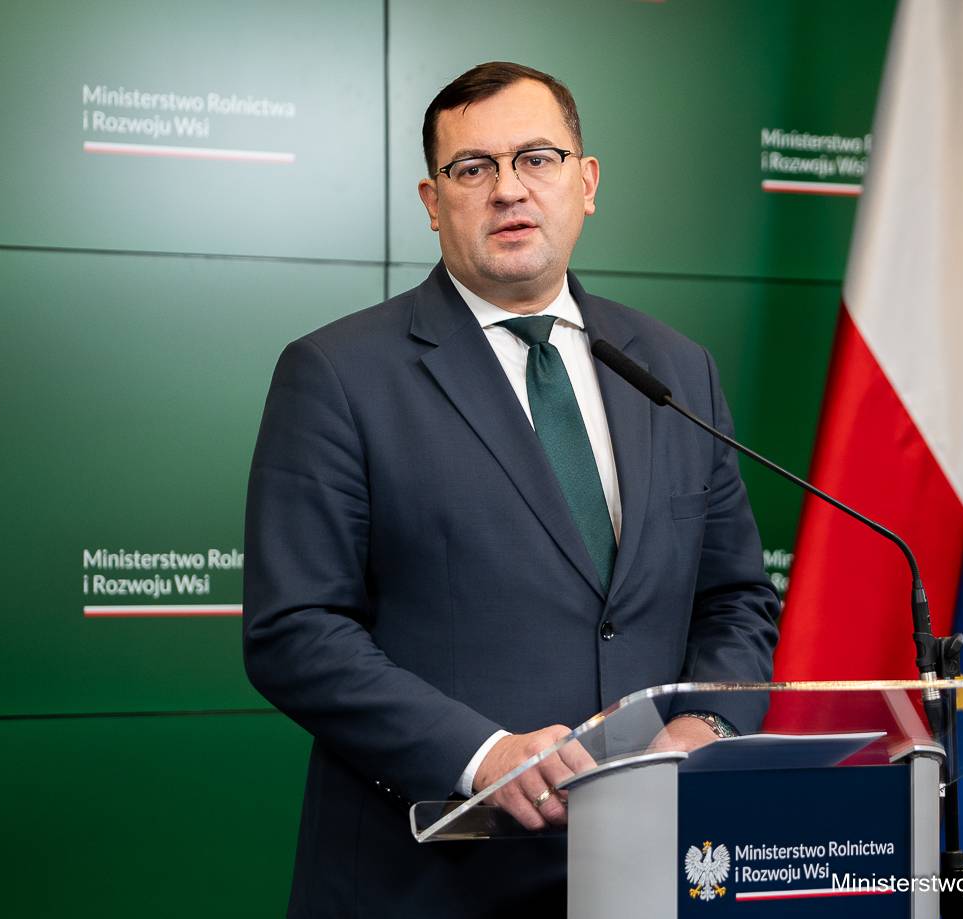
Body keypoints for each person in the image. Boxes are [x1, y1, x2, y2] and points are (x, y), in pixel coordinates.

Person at [243, 61, 780, 918]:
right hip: (431, 879)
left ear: (586, 181)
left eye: (537, 158)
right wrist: (481, 755)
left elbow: (736, 597)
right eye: (473, 168)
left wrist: (707, 724)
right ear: (432, 201)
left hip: (651, 867)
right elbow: (295, 630)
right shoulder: (338, 374)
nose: (508, 189)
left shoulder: (676, 369)